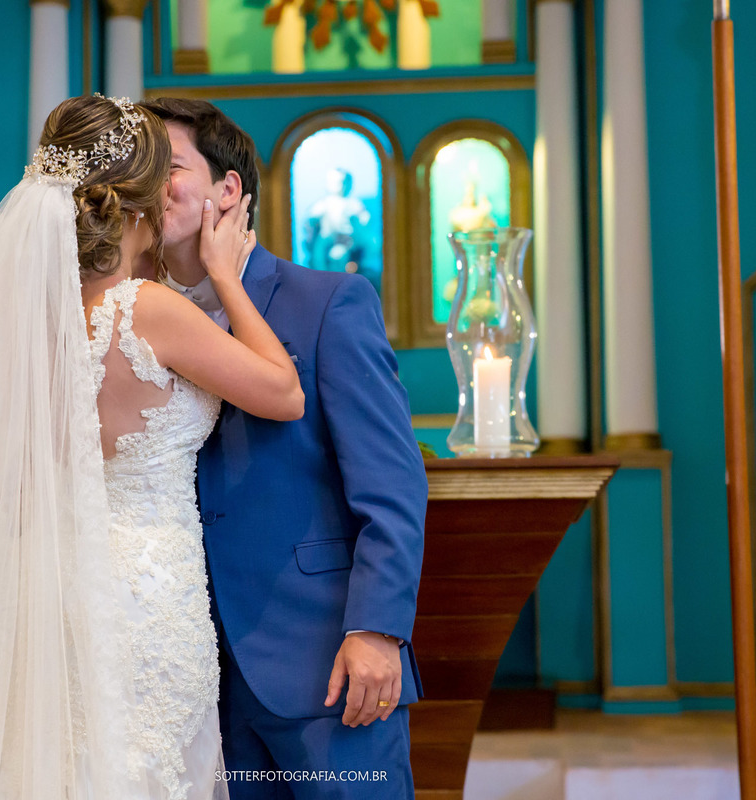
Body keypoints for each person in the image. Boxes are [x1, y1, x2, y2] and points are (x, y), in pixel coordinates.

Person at [0, 95, 303, 800]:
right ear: (142, 201)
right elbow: (284, 392)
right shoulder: (145, 310)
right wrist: (228, 279)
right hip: (144, 597)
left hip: (54, 582)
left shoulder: (29, 320)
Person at [144, 98, 427, 799]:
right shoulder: (131, 316)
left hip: (322, 658)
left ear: (227, 190)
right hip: (191, 671)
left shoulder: (328, 302)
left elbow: (392, 487)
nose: (148, 184)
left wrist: (377, 629)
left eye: (169, 167)